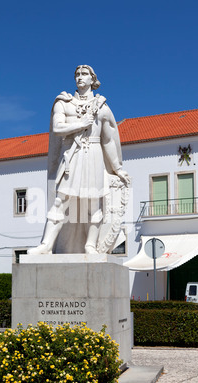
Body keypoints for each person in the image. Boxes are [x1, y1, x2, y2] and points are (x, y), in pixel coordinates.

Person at [28, 65, 130, 254]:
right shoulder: (63, 102)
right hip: (71, 155)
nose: (80, 77)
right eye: (77, 74)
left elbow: (107, 140)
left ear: (93, 80)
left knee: (94, 204)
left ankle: (90, 245)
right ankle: (46, 245)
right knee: (60, 201)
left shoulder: (102, 107)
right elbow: (57, 128)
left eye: (84, 74)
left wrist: (117, 168)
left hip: (93, 154)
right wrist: (80, 124)